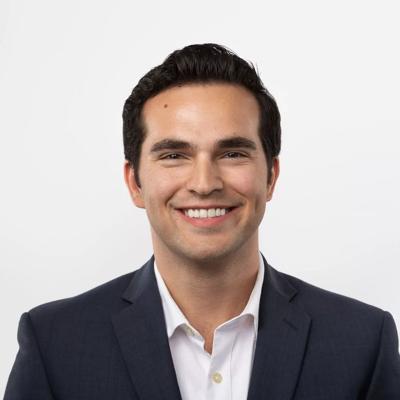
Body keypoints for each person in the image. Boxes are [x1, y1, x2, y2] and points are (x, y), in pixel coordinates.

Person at [4, 43, 400, 400]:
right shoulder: (54, 343)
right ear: (135, 183)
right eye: (174, 155)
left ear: (271, 177)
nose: (205, 183)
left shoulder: (363, 341)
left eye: (232, 154)